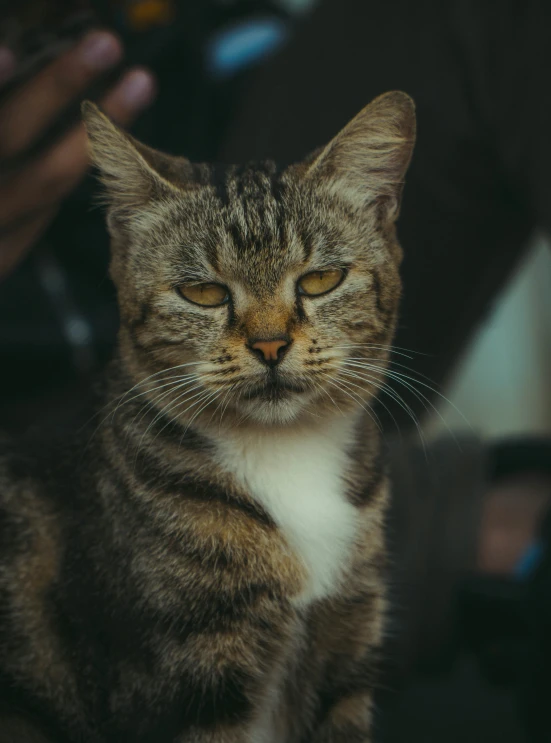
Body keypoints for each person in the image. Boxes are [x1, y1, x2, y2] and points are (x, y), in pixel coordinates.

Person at [0, 1, 549, 740]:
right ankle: (488, 531)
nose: (268, 338)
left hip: (208, 150)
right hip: (76, 418)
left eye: (314, 288)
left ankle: (486, 531)